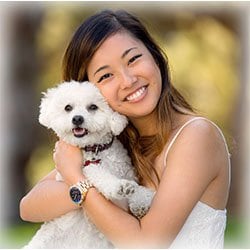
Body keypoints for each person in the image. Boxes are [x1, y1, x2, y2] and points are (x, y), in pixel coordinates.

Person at [20, 9, 231, 248]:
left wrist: (77, 180)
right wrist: (83, 186)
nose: (128, 80)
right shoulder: (115, 144)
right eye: (106, 75)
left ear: (155, 56)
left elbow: (146, 243)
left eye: (133, 59)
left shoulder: (196, 135)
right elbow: (29, 207)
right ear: (91, 92)